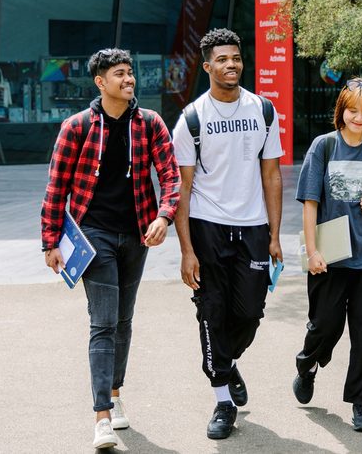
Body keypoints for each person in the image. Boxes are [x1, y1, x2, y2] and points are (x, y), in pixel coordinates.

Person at [40, 48, 180, 450]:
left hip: (138, 235)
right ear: (100, 82)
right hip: (93, 235)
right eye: (120, 74)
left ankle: (115, 394)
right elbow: (56, 187)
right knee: (103, 322)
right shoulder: (77, 127)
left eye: (130, 73)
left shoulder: (150, 124)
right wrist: (51, 242)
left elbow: (170, 175)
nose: (129, 79)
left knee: (123, 321)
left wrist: (164, 216)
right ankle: (101, 416)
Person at [171, 28, 284, 440]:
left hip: (253, 225)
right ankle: (222, 398)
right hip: (207, 225)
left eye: (236, 57)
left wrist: (274, 234)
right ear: (207, 66)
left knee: (250, 313)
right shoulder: (191, 119)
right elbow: (180, 189)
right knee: (212, 311)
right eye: (222, 59)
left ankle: (226, 361)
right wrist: (186, 249)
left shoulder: (263, 110)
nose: (231, 64)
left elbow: (271, 174)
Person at [292, 77, 362, 432]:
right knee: (326, 325)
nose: (359, 118)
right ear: (341, 110)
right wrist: (312, 252)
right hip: (330, 255)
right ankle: (307, 363)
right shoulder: (323, 147)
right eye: (353, 110)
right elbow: (310, 203)